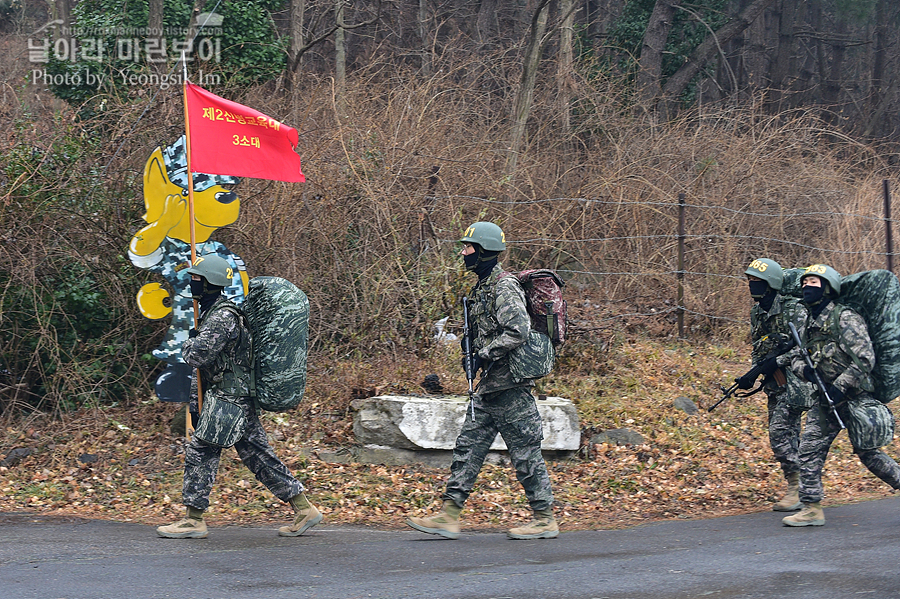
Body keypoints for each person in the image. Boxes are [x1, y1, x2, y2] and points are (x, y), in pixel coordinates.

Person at [405, 222, 558, 540]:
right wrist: (470, 351)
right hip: (491, 386)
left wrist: (484, 354)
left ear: (484, 252)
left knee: (524, 450)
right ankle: (449, 516)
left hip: (510, 384)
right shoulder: (483, 288)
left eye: (468, 248)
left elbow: (518, 330)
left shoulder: (503, 286)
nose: (463, 253)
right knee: (469, 446)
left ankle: (544, 518)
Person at [157, 254, 322, 539]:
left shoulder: (222, 317)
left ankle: (193, 520)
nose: (192, 282)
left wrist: (189, 342)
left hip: (229, 399)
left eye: (197, 278)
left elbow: (197, 355)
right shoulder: (215, 313)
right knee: (258, 456)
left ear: (210, 283)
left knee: (201, 452)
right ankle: (304, 508)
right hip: (232, 396)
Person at [784, 264, 900, 527]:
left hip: (855, 397)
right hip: (825, 399)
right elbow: (794, 357)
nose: (807, 287)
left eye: (813, 282)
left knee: (869, 454)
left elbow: (864, 358)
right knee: (809, 449)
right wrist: (807, 372)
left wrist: (841, 386)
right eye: (805, 283)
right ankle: (811, 507)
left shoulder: (844, 318)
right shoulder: (806, 322)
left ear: (827, 288)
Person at [737, 259, 815, 512]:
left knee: (780, 434)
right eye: (750, 282)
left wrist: (776, 362)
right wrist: (754, 371)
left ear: (771, 284)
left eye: (757, 282)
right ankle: (803, 486)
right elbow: (759, 346)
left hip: (798, 382)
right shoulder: (757, 313)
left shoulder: (795, 309)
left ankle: (797, 488)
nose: (752, 286)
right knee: (785, 436)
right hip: (775, 385)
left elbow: (807, 348)